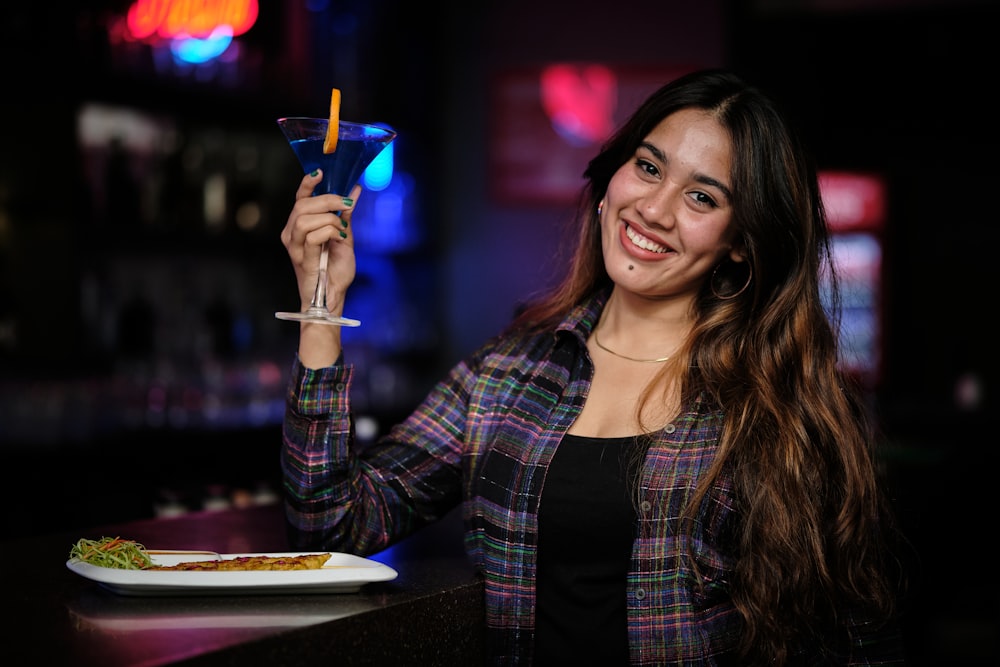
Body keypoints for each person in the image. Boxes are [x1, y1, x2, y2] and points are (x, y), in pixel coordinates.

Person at [278, 68, 905, 665]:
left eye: (701, 197)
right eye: (649, 167)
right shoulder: (506, 376)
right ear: (613, 178)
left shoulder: (773, 408)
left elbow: (853, 641)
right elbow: (332, 523)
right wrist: (321, 305)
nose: (655, 209)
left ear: (739, 242)